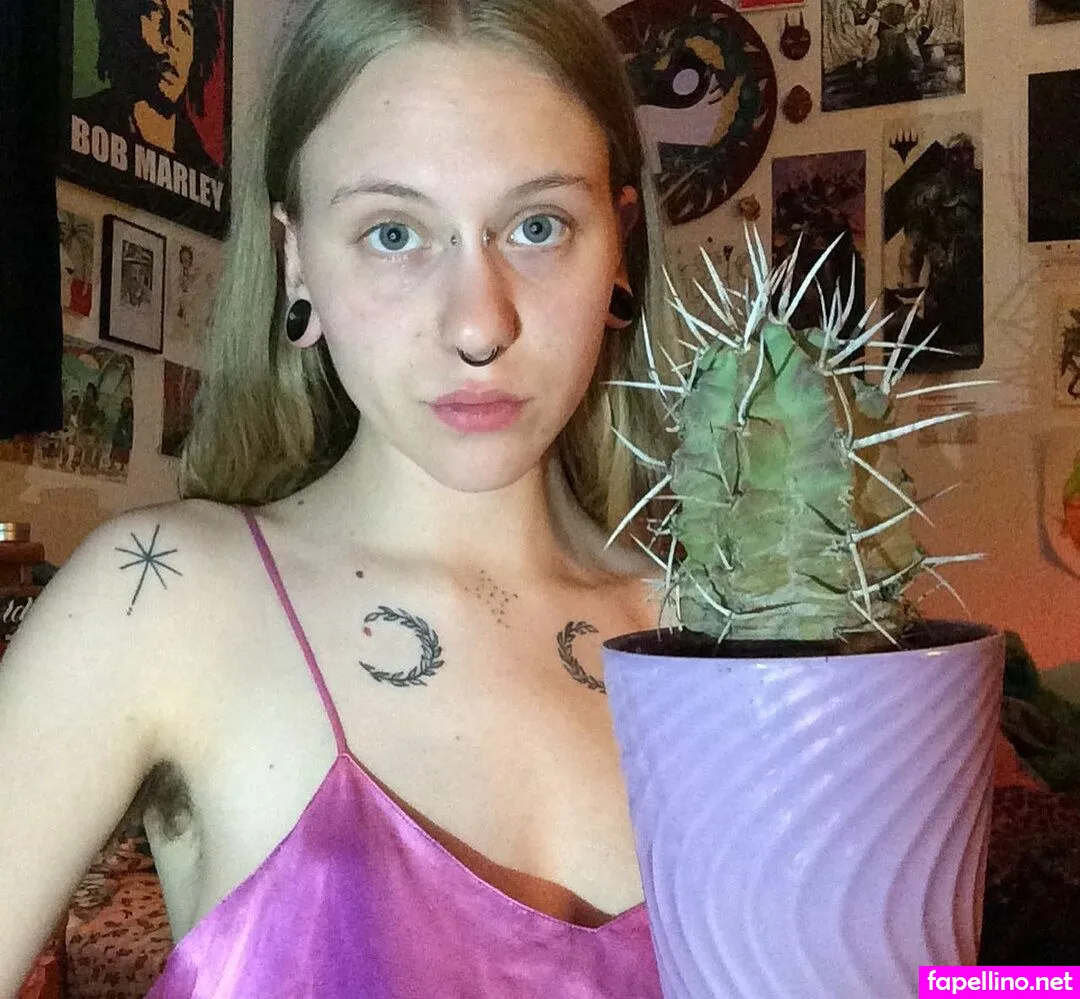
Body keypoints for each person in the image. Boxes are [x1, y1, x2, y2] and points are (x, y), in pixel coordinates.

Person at [1, 0, 690, 994]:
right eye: (393, 232)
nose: (478, 327)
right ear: (296, 260)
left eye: (538, 226)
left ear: (617, 246)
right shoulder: (161, 601)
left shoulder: (717, 635)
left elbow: (919, 976)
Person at [69, 0, 222, 174]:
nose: (170, 39)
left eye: (183, 24)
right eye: (156, 14)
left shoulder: (205, 169)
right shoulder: (81, 123)